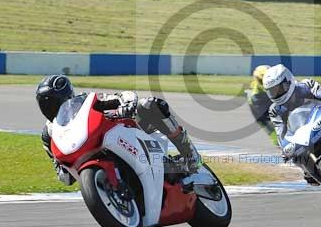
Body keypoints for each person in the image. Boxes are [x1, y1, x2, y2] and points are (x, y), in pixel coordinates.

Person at [36, 75, 202, 186]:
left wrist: (126, 106)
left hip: (123, 136)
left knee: (152, 105)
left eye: (53, 102)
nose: (51, 108)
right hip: (91, 161)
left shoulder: (86, 102)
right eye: (45, 105)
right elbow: (63, 176)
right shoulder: (49, 133)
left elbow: (122, 96)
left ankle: (190, 155)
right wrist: (64, 169)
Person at [245, 64, 277, 145]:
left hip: (266, 100)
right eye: (261, 80)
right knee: (266, 122)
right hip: (258, 106)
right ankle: (277, 141)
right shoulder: (255, 93)